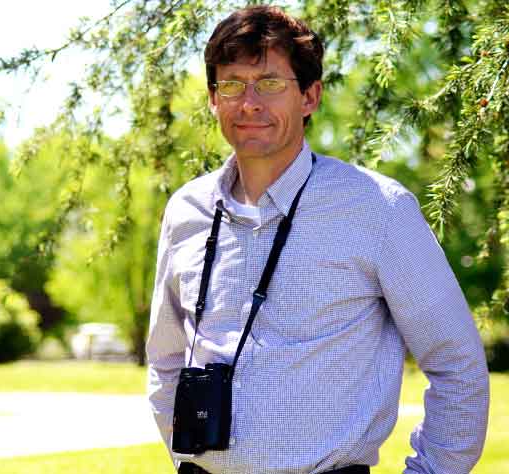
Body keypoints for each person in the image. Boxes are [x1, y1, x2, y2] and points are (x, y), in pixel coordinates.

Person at [146, 5, 490, 474]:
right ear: (212, 99)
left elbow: (458, 365)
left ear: (310, 96)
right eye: (232, 85)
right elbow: (165, 361)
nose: (249, 103)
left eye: (269, 83)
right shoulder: (186, 210)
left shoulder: (378, 209)